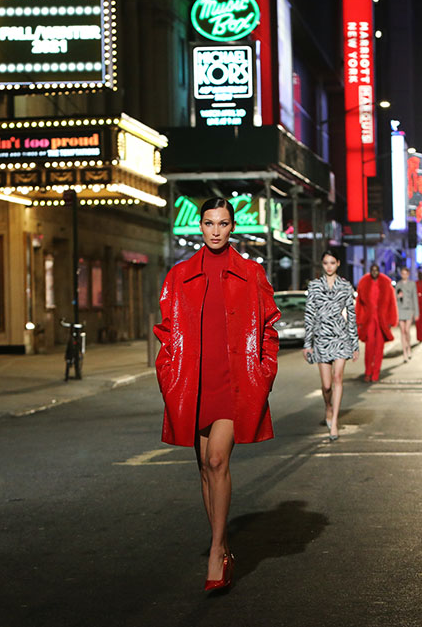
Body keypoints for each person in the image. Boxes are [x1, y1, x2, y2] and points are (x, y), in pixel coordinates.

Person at [153, 197, 280, 592]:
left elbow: (269, 329)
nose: (215, 230)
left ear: (232, 227)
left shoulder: (251, 272)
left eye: (223, 223)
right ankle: (223, 544)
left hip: (234, 380)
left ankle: (214, 551)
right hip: (193, 382)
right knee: (204, 469)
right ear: (200, 226)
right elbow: (166, 332)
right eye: (209, 223)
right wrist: (168, 373)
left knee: (217, 458)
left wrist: (264, 371)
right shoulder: (179, 275)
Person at [303, 249, 359, 441]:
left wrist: (355, 343)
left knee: (338, 378)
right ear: (322, 264)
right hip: (321, 338)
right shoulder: (314, 286)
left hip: (341, 336)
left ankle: (334, 422)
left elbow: (352, 316)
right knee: (327, 386)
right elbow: (309, 314)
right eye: (326, 263)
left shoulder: (345, 286)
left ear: (338, 264)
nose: (329, 266)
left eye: (332, 263)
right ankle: (328, 406)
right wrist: (307, 343)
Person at [356, 264, 398, 382]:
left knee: (379, 348)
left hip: (381, 320)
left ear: (379, 271)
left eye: (376, 270)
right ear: (370, 271)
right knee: (369, 347)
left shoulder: (386, 283)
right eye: (372, 270)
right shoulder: (364, 283)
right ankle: (368, 371)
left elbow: (391, 303)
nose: (374, 272)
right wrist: (359, 320)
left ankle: (375, 373)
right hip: (369, 320)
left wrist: (391, 320)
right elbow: (359, 303)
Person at [395, 267, 419, 362]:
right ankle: (404, 352)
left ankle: (409, 347)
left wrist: (416, 313)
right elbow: (395, 299)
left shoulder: (412, 284)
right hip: (401, 309)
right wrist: (398, 296)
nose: (404, 275)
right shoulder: (398, 284)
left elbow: (415, 298)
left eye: (406, 273)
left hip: (409, 309)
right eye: (402, 273)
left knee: (407, 330)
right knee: (402, 331)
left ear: (408, 274)